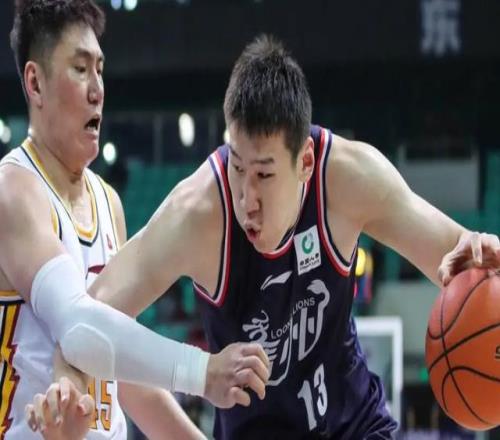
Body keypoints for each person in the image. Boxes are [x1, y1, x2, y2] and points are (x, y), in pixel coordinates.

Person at [30, 34, 500, 439]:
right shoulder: (198, 213)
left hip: (355, 426)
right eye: (237, 166)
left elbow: (459, 258)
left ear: (305, 163)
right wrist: (67, 387)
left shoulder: (349, 179)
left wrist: (484, 259)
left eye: (264, 174)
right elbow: (85, 322)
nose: (246, 198)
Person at [1, 1, 270, 439]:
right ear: (35, 83)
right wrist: (202, 372)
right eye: (80, 69)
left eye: (100, 70)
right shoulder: (13, 189)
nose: (97, 89)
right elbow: (78, 325)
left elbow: (126, 378)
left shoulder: (109, 204)